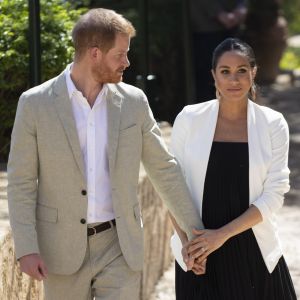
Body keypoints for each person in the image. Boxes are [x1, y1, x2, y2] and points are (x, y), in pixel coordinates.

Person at [7, 8, 204, 300]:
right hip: (59, 250)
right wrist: (26, 248)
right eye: (120, 54)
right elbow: (21, 181)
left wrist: (196, 234)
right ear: (95, 53)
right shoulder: (35, 104)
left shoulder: (134, 102)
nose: (127, 62)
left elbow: (164, 168)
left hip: (119, 245)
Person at [170, 38, 297, 299]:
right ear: (213, 76)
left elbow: (275, 193)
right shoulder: (189, 118)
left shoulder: (273, 123)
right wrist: (188, 245)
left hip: (254, 250)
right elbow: (171, 186)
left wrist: (222, 235)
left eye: (241, 71)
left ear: (254, 72)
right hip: (199, 251)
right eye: (225, 72)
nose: (234, 80)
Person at [189, 0, 247, 102]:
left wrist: (242, 7)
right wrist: (218, 13)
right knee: (207, 81)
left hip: (233, 28)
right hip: (205, 30)